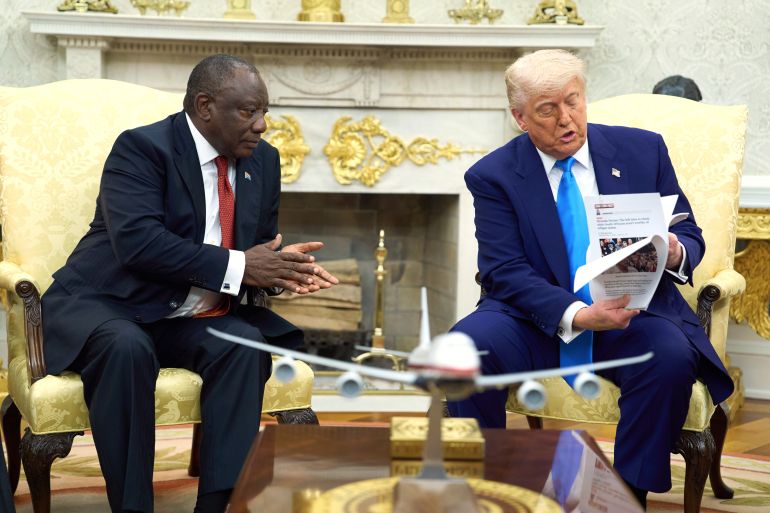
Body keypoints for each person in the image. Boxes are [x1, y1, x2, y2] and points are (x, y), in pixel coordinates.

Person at [41, 54, 338, 513]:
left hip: (187, 315)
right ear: (204, 106)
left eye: (265, 113)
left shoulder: (265, 161)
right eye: (248, 112)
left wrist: (281, 272)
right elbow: (139, 243)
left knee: (245, 344)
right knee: (127, 347)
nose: (261, 126)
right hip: (109, 304)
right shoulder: (142, 149)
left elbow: (254, 251)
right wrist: (242, 266)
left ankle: (219, 504)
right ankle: (133, 506)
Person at [447, 49, 733, 509]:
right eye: (548, 110)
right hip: (535, 318)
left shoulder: (642, 150)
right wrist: (577, 314)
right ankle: (485, 489)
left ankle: (623, 495)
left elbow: (686, 230)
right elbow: (503, 270)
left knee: (669, 356)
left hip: (630, 310)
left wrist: (676, 248)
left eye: (573, 101)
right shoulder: (494, 175)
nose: (567, 119)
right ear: (520, 117)